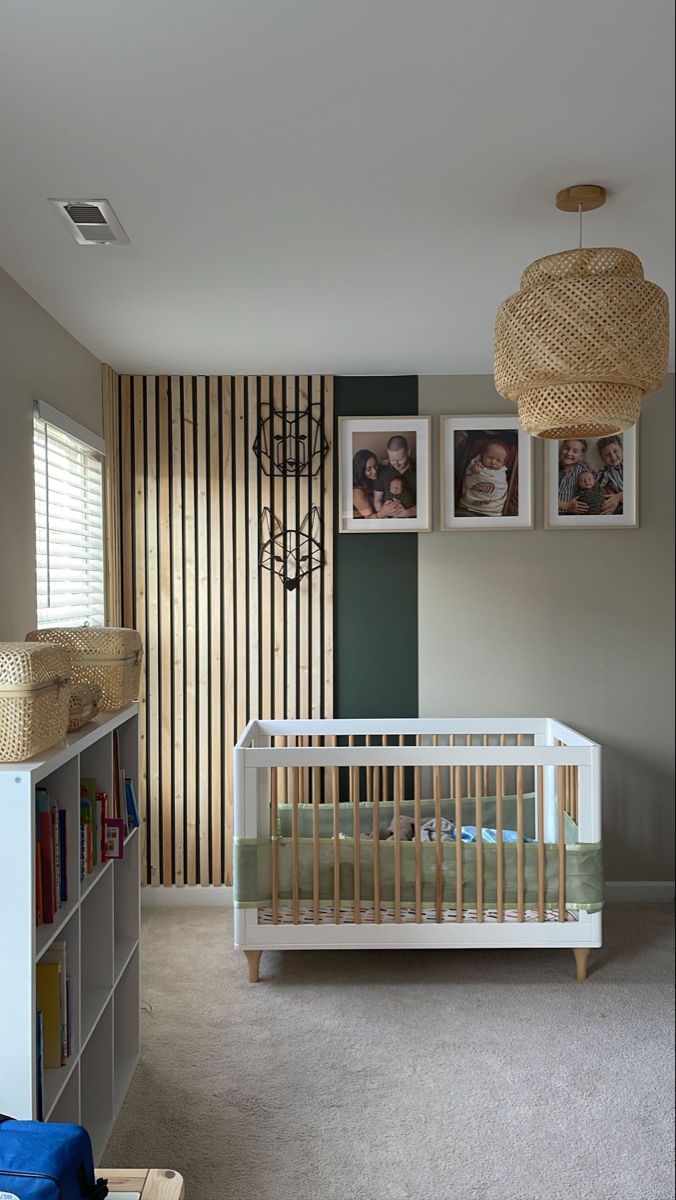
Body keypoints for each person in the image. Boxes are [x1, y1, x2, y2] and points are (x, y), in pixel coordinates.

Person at [457, 440, 510, 517]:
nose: (493, 462)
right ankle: (468, 505)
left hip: (491, 507)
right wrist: (474, 470)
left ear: (503, 463)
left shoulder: (501, 472)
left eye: (499, 461)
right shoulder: (477, 464)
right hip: (471, 500)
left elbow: (501, 485)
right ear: (483, 455)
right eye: (490, 457)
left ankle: (489, 510)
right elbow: (470, 475)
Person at [373, 435, 417, 517]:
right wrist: (384, 515)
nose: (396, 464)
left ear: (408, 452)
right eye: (392, 460)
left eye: (400, 459)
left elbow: (427, 502)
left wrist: (408, 513)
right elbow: (377, 499)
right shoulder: (382, 470)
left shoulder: (419, 469)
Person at [558, 439, 593, 514]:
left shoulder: (582, 470)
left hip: (573, 513)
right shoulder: (552, 466)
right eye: (566, 448)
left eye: (575, 451)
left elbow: (593, 482)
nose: (569, 453)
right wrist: (564, 505)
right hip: (552, 511)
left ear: (581, 456)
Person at [596, 435, 624, 514]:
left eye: (615, 451)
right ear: (602, 458)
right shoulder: (605, 472)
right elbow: (600, 487)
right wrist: (612, 496)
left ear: (622, 450)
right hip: (620, 505)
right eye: (607, 455)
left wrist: (618, 497)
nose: (613, 456)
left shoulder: (631, 465)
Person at [351, 448, 380, 518]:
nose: (375, 471)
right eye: (369, 469)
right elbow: (369, 518)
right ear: (361, 471)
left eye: (375, 465)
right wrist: (384, 512)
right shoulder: (357, 492)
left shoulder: (370, 480)